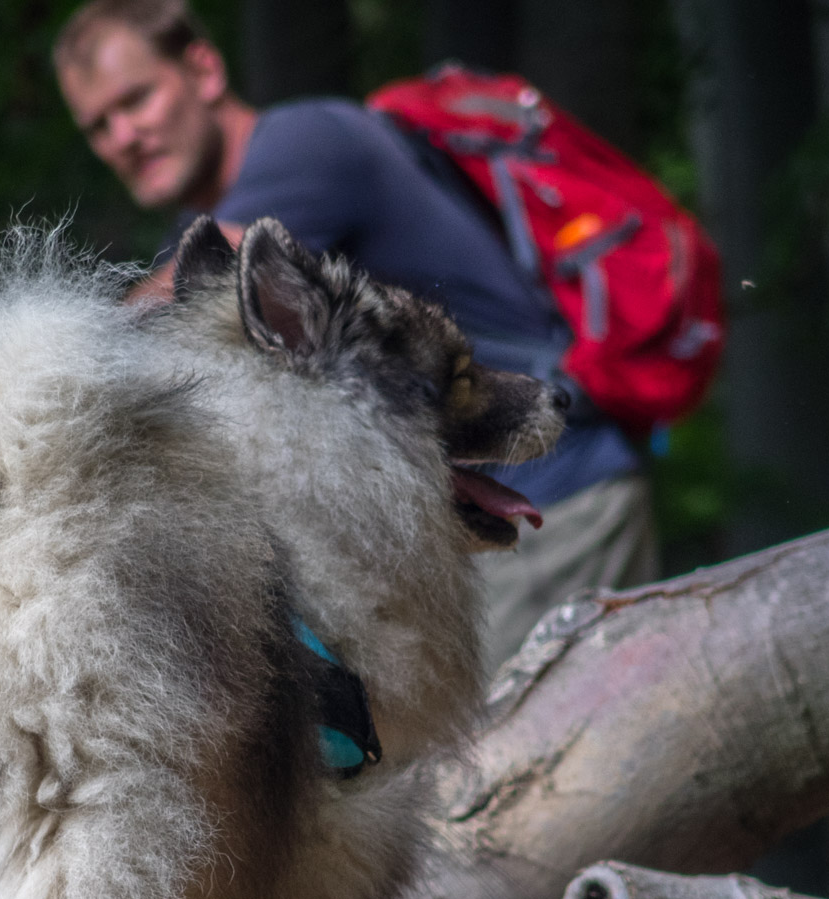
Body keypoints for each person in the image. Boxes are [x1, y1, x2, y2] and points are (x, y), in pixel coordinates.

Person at [53, 0, 659, 672]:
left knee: (530, 769)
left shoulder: (306, 145)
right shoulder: (200, 234)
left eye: (136, 99)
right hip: (477, 511)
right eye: (98, 126)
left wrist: (22, 381)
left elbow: (145, 322)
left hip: (554, 504)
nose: (124, 135)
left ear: (203, 68)